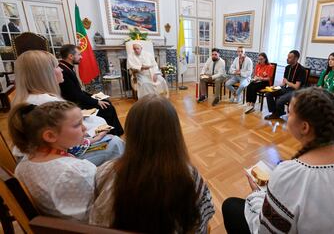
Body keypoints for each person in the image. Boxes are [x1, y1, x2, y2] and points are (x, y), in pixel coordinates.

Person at [222, 88, 334, 234]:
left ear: (304, 127)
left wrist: (258, 194)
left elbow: (265, 230)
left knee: (230, 206)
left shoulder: (290, 174)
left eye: (289, 113)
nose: (286, 116)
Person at [89, 95, 215, 233]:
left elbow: (98, 221)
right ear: (174, 133)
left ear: (131, 132)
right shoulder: (189, 176)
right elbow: (200, 223)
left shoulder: (105, 172)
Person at [12, 50, 125, 166]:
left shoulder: (25, 98)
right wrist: (94, 139)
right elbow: (69, 144)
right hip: (53, 161)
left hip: (35, 156)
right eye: (56, 66)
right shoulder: (47, 102)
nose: (61, 69)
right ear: (44, 74)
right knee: (115, 142)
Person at [9, 101, 96, 222]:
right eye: (77, 125)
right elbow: (94, 215)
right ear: (50, 136)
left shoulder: (22, 166)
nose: (84, 128)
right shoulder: (76, 171)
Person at [58, 44, 124, 136]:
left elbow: (77, 91)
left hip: (77, 100)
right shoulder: (64, 71)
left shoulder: (67, 67)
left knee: (106, 102)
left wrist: (93, 96)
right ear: (71, 56)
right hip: (74, 105)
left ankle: (116, 132)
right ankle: (112, 134)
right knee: (107, 107)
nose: (81, 57)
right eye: (79, 54)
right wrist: (96, 102)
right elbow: (75, 95)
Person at [264, 50, 306, 120]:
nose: (287, 59)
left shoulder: (301, 70)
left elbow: (296, 86)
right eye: (287, 57)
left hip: (296, 91)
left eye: (290, 57)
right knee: (268, 93)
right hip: (286, 88)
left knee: (280, 99)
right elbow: (283, 83)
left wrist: (287, 82)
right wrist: (275, 87)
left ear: (296, 59)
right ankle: (275, 112)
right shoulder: (287, 68)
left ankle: (278, 112)